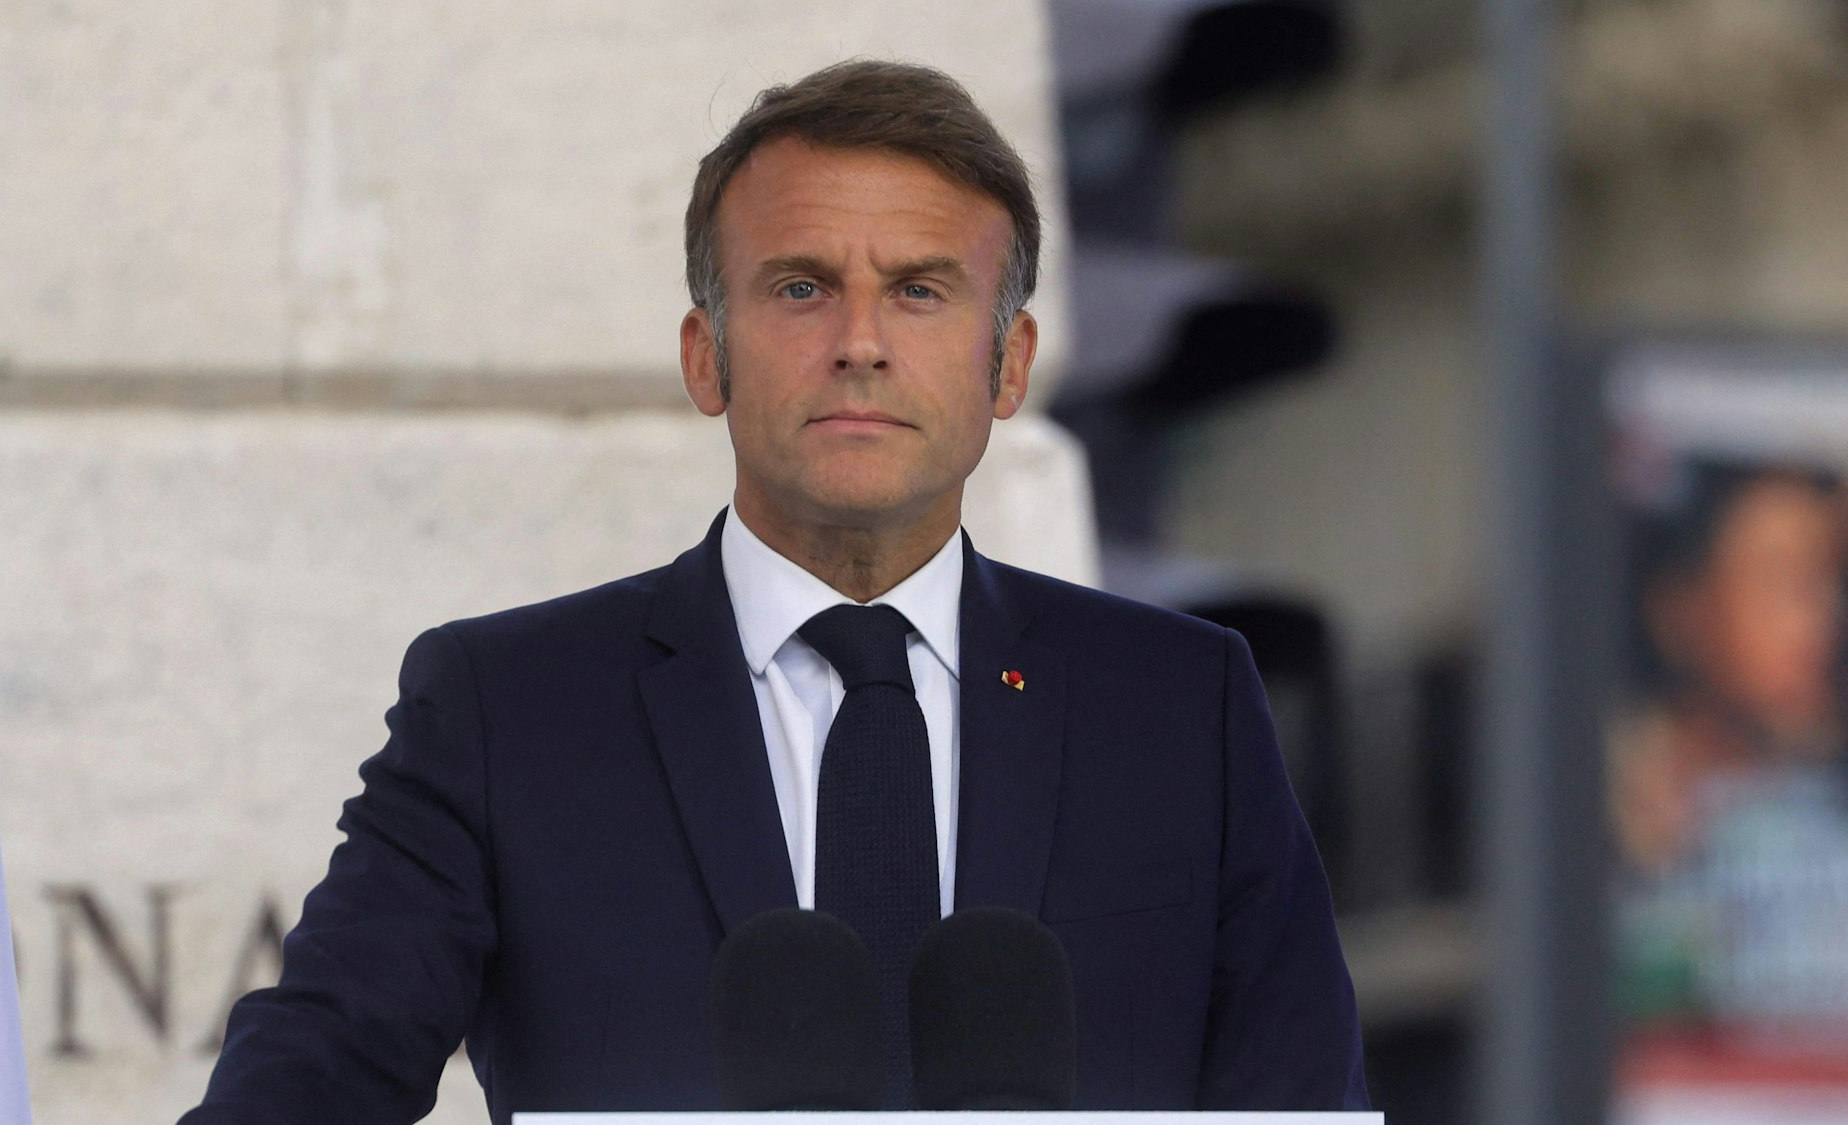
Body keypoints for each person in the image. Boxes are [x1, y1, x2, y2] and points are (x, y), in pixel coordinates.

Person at [183, 60, 1366, 1124]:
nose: (859, 342)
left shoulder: (1178, 707)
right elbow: (313, 1072)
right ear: (706, 357)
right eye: (800, 289)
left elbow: (1299, 1100)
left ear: (1007, 365)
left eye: (919, 291)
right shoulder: (508, 709)